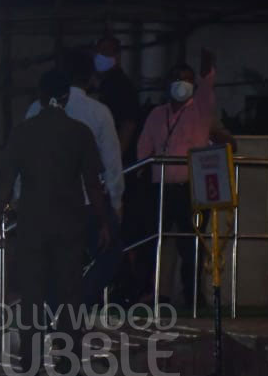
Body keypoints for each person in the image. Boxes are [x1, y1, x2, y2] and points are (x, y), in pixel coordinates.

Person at [0, 69, 111, 376]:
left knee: (32, 293)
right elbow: (94, 184)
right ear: (65, 97)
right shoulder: (80, 132)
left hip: (32, 222)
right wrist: (103, 221)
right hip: (69, 222)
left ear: (41, 97)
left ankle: (30, 363)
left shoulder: (23, 132)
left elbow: (6, 181)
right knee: (70, 294)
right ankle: (68, 363)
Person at [135, 48, 231, 307]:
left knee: (192, 245)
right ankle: (154, 293)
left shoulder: (200, 110)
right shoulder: (157, 114)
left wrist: (206, 72)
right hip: (161, 186)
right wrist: (142, 168)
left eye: (188, 79)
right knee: (155, 242)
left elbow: (206, 87)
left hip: (191, 187)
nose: (182, 84)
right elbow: (144, 146)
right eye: (178, 78)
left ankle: (192, 295)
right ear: (168, 83)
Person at [24, 54, 124, 303]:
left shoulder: (35, 110)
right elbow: (107, 166)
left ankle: (54, 309)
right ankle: (79, 301)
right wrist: (114, 203)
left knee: (51, 262)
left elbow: (19, 158)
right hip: (84, 204)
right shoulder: (97, 113)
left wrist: (17, 199)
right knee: (108, 253)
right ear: (90, 78)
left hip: (43, 202)